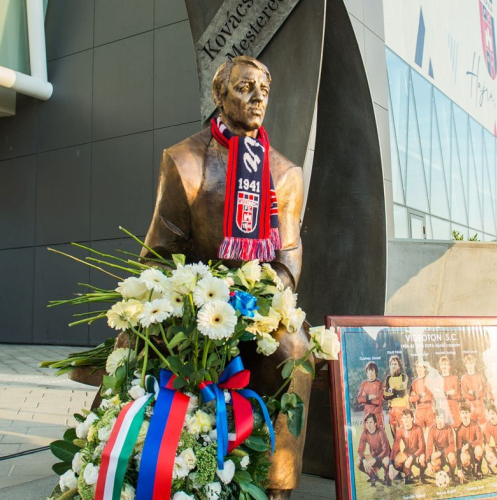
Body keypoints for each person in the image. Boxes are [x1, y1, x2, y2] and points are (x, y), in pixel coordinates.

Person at [141, 56, 309, 500]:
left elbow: (288, 260)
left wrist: (255, 301)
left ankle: (279, 482)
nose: (257, 99)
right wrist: (190, 298)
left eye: (264, 91)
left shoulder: (285, 172)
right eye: (244, 88)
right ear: (219, 96)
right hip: (193, 302)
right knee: (146, 340)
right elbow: (159, 253)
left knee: (296, 350)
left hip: (254, 307)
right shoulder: (184, 161)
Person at [391, 409, 427, 484]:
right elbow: (395, 447)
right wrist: (391, 464)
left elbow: (422, 447)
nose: (405, 420)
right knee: (396, 461)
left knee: (423, 460)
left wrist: (412, 457)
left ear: (412, 419)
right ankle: (408, 474)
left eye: (407, 417)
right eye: (404, 418)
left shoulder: (418, 428)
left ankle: (421, 476)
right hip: (407, 453)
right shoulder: (400, 430)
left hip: (418, 453)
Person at [356, 413, 392, 487]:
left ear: (375, 423)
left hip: (384, 456)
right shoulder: (365, 433)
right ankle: (373, 476)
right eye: (367, 422)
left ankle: (387, 476)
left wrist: (375, 460)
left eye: (371, 422)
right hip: (374, 456)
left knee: (386, 461)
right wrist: (364, 460)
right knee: (358, 462)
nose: (369, 425)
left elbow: (386, 450)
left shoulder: (381, 432)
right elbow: (360, 450)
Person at [426, 409, 457, 483]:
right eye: (437, 418)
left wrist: (441, 452)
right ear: (435, 419)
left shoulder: (448, 427)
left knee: (452, 457)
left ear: (444, 419)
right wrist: (428, 462)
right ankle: (443, 474)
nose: (439, 420)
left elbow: (452, 446)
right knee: (433, 462)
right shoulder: (432, 429)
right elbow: (429, 446)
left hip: (447, 453)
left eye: (441, 418)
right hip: (439, 456)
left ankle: (452, 475)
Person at [456, 403, 484, 482]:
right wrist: (458, 469)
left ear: (470, 414)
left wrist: (469, 445)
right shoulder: (459, 430)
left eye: (466, 413)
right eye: (463, 413)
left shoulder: (475, 424)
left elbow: (480, 440)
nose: (464, 415)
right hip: (467, 453)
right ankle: (467, 471)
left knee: (479, 449)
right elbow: (458, 450)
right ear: (460, 414)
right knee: (464, 457)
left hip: (474, 450)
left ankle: (478, 470)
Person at [383, 355, 409, 438]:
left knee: (404, 433)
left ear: (399, 366)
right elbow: (385, 396)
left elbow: (403, 392)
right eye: (392, 364)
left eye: (395, 364)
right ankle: (397, 450)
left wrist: (393, 391)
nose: (393, 366)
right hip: (392, 409)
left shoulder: (404, 377)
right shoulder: (388, 378)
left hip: (402, 408)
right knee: (394, 435)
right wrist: (396, 392)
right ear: (389, 366)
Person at [460, 355, 489, 427]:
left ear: (474, 364)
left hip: (480, 405)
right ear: (465, 365)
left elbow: (483, 393)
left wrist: (473, 392)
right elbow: (465, 394)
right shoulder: (464, 378)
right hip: (470, 406)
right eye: (468, 363)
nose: (470, 365)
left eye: (471, 363)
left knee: (482, 427)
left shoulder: (479, 376)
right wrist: (476, 394)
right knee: (471, 428)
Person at [434, 355, 461, 427]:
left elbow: (458, 396)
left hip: (454, 406)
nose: (444, 366)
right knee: (445, 428)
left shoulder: (454, 378)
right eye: (442, 364)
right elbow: (436, 396)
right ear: (440, 366)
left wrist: (443, 394)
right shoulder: (437, 380)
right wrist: (447, 393)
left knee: (456, 428)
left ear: (449, 366)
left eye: (445, 364)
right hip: (443, 406)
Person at [357, 362, 385, 429]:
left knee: (379, 437)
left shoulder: (380, 384)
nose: (370, 373)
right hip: (367, 415)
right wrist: (369, 397)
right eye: (369, 371)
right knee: (367, 437)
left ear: (376, 372)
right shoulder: (364, 384)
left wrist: (365, 399)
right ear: (366, 372)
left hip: (377, 415)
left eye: (372, 370)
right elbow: (359, 399)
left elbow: (379, 401)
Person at [409, 360, 434, 432]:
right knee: (419, 436)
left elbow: (429, 397)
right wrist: (420, 395)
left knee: (431, 435)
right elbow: (411, 399)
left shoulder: (430, 380)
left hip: (429, 409)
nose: (418, 369)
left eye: (420, 367)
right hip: (419, 411)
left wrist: (417, 396)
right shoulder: (414, 382)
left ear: (424, 368)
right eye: (417, 367)